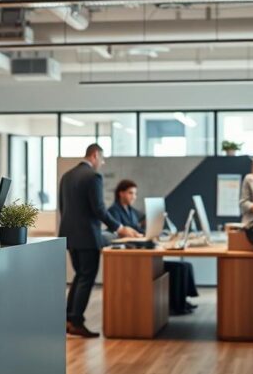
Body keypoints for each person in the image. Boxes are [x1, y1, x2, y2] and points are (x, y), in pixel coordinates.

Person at [60, 144, 140, 338]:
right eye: (102, 160)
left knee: (80, 277)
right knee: (86, 279)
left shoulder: (67, 176)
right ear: (95, 155)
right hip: (88, 237)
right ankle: (76, 321)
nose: (102, 164)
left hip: (70, 235)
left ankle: (68, 320)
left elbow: (63, 207)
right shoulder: (93, 177)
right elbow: (99, 210)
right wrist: (120, 229)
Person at [108, 179, 198, 316]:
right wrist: (137, 233)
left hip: (140, 251)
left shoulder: (131, 211)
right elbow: (118, 232)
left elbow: (139, 226)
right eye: (130, 193)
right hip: (130, 256)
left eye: (135, 194)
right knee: (179, 268)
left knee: (185, 265)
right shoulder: (114, 211)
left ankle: (181, 302)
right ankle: (177, 305)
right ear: (121, 193)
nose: (133, 196)